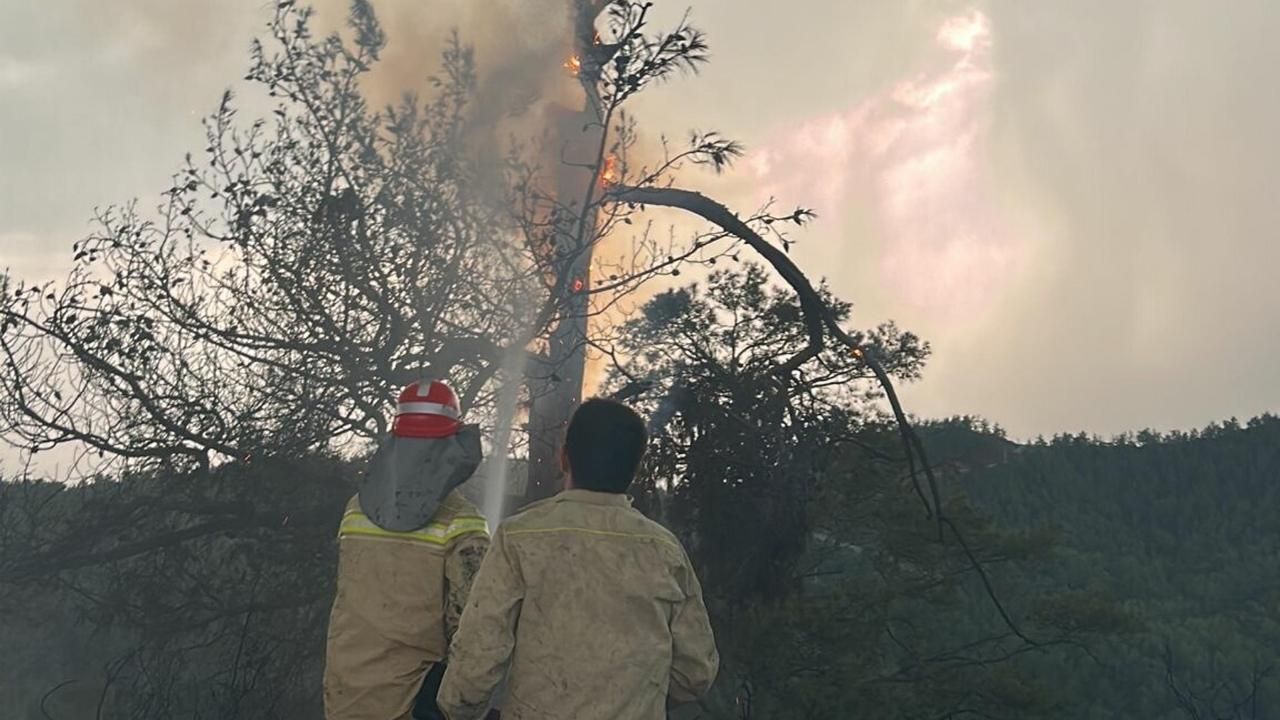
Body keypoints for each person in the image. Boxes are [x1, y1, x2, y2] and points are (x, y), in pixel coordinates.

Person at [438, 397, 719, 720]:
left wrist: (455, 708)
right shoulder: (665, 551)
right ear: (634, 466)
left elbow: (478, 660)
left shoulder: (519, 538)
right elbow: (696, 672)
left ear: (564, 457)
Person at [324, 380, 491, 720]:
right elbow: (475, 634)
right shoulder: (463, 523)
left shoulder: (355, 510)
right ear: (453, 446)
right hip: (413, 704)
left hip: (344, 698)